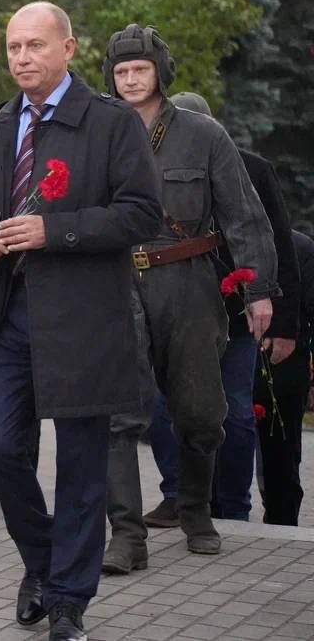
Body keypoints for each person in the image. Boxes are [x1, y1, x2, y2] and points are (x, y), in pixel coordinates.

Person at [0, 2, 162, 641]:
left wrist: (56, 230)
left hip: (81, 317)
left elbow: (141, 214)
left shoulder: (109, 123)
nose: (22, 58)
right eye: (13, 47)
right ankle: (44, 562)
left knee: (80, 465)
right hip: (6, 312)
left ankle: (69, 599)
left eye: (35, 46)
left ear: (68, 49)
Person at [96, 33, 278, 574]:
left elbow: (245, 215)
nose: (131, 80)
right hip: (114, 279)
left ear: (161, 72)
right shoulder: (96, 132)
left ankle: (196, 509)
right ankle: (126, 536)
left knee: (200, 412)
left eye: (140, 70)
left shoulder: (203, 134)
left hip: (188, 280)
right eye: (122, 71)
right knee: (118, 417)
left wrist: (259, 289)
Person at [137, 91, 296, 528]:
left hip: (238, 312)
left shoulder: (251, 167)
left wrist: (280, 318)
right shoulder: (140, 159)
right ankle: (181, 496)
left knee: (236, 412)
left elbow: (277, 239)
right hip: (179, 309)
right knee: (169, 407)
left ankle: (234, 505)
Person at [255, 227, 311, 525]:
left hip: (285, 373)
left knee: (282, 461)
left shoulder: (300, 247)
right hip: (240, 366)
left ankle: (281, 523)